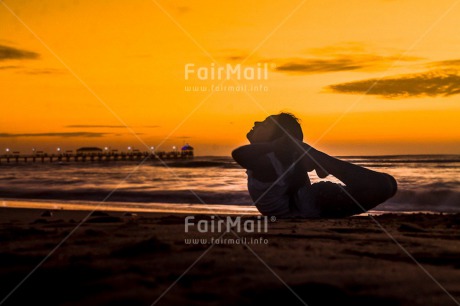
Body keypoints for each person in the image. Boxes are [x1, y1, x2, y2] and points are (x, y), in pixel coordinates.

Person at [232, 112, 397, 218]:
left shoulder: (268, 160)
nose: (256, 122)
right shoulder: (273, 159)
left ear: (278, 139)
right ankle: (315, 160)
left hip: (309, 203)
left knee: (384, 186)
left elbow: (239, 154)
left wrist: (281, 146)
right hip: (307, 205)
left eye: (266, 123)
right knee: (386, 185)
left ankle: (316, 159)